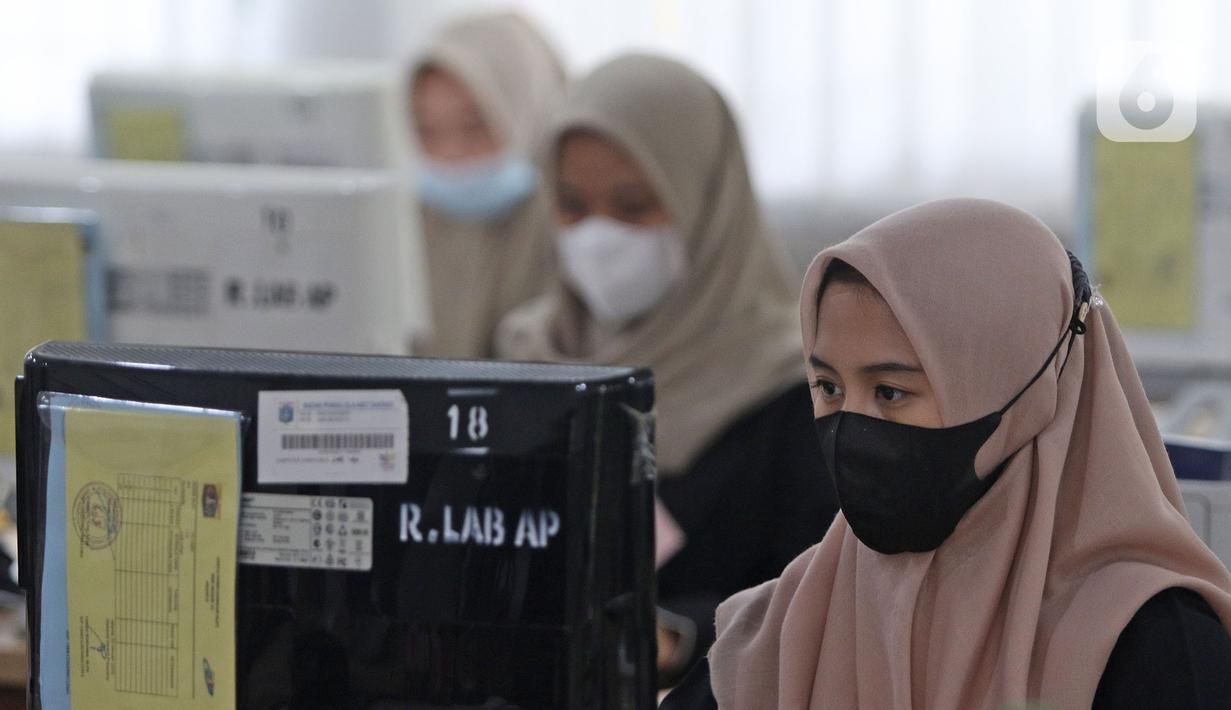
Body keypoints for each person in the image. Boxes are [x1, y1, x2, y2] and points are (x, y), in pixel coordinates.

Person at [663, 198, 1231, 709]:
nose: (851, 427)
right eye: (829, 389)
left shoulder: (1151, 642)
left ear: (1022, 394)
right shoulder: (784, 630)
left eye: (891, 392)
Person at [495, 54, 837, 684]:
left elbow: (825, 600)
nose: (599, 237)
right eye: (572, 205)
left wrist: (676, 637)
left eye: (633, 206)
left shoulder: (803, 386)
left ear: (707, 205)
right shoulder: (526, 355)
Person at [408, 11, 564, 358]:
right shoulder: (407, 225)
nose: (450, 154)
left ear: (527, 110)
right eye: (427, 131)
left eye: (475, 125)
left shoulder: (573, 225)